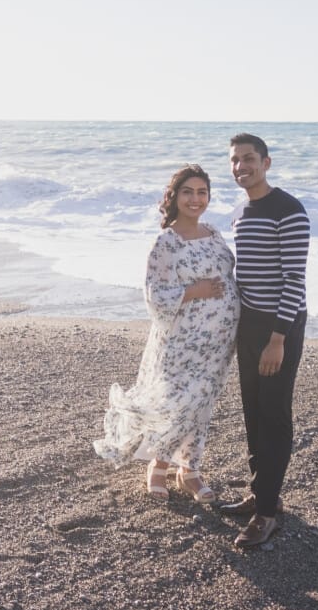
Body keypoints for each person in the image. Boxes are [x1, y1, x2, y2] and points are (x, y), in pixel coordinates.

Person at [93, 164, 241, 503]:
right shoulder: (166, 243)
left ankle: (189, 470)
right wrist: (194, 291)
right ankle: (158, 466)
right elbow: (154, 296)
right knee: (176, 403)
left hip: (219, 342)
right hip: (182, 341)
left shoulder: (213, 232)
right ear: (173, 197)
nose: (195, 199)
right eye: (188, 192)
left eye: (202, 192)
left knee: (202, 404)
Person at [220, 133, 310, 548]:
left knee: (274, 415)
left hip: (280, 326)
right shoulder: (240, 211)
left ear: (266, 163)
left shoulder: (289, 210)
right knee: (253, 412)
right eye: (235, 160)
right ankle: (261, 494)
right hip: (250, 323)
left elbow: (294, 280)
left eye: (249, 159)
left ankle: (268, 515)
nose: (241, 167)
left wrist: (278, 339)